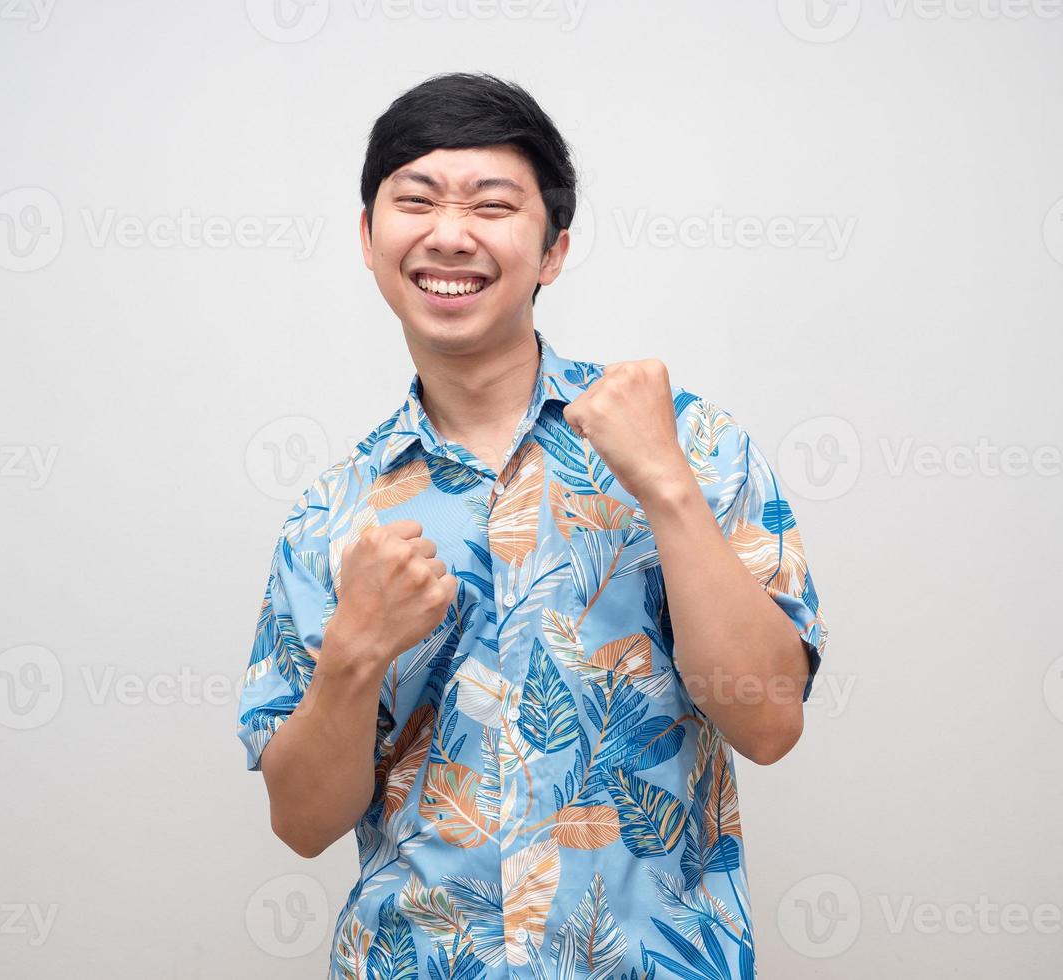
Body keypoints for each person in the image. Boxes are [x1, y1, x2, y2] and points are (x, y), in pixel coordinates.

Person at [236, 71, 829, 980]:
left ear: (551, 250)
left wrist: (663, 486)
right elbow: (302, 824)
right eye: (415, 199)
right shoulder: (333, 510)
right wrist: (355, 649)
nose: (448, 233)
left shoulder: (691, 441)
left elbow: (768, 724)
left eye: (492, 204)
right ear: (368, 237)